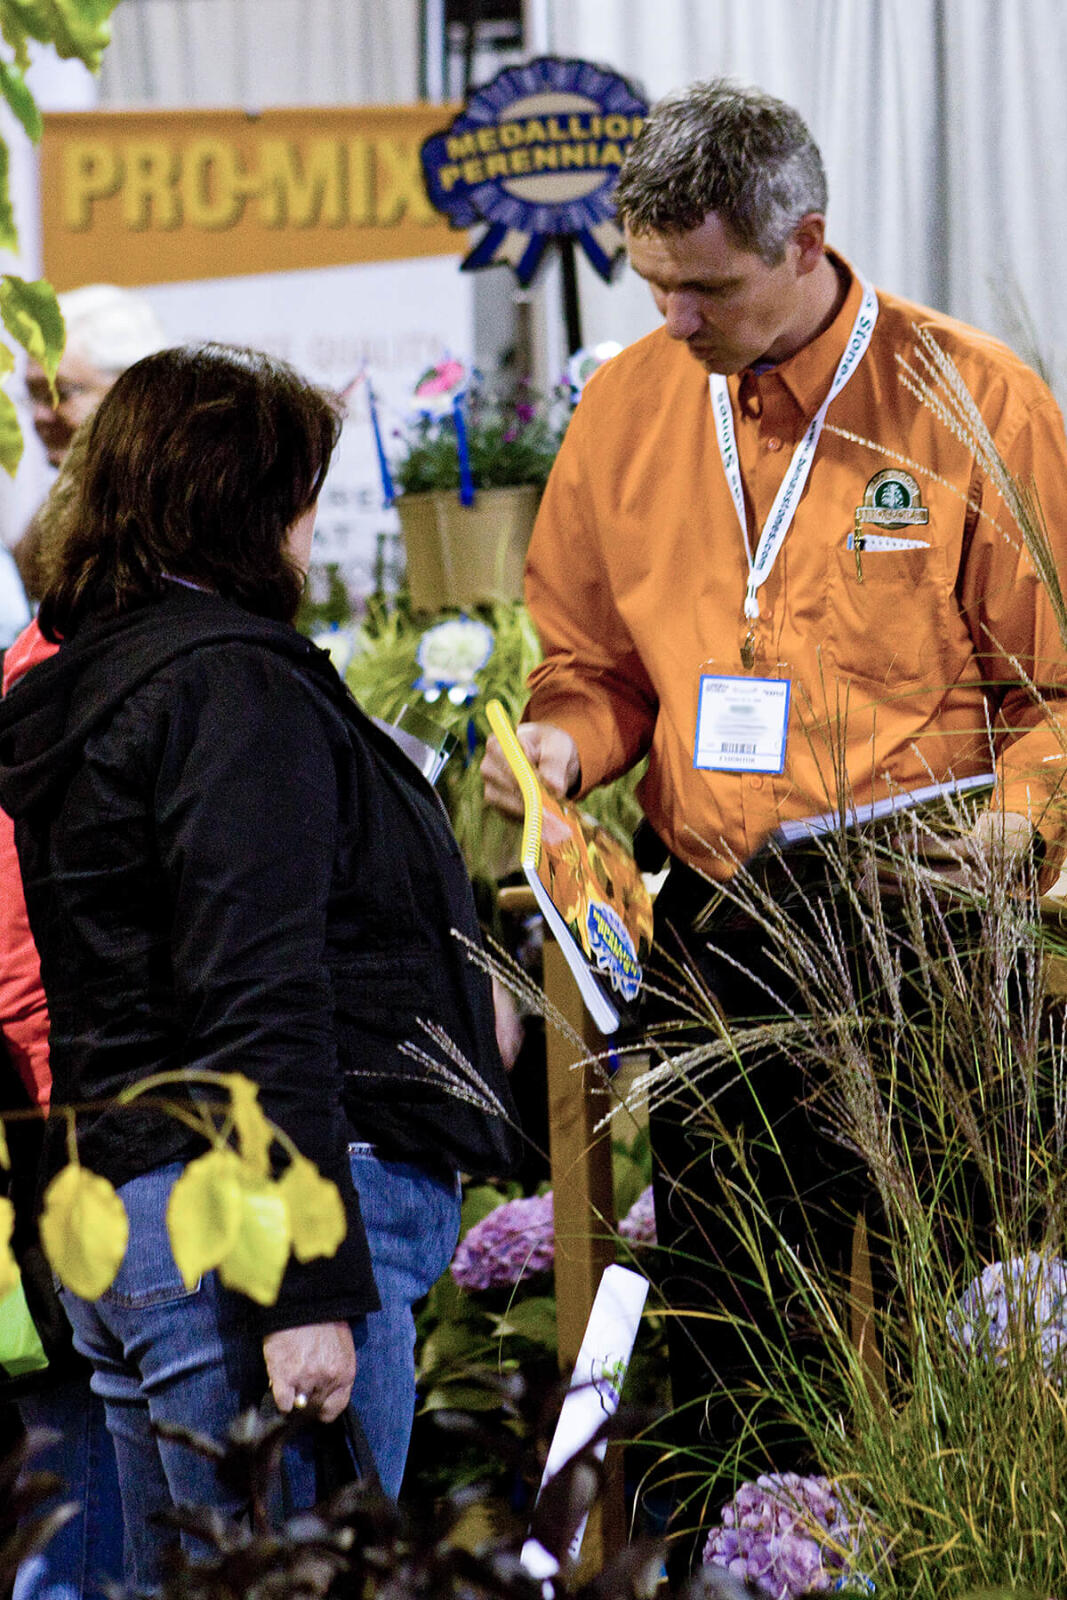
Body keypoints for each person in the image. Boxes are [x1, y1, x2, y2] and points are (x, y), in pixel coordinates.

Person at [481, 77, 1067, 1543]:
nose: (672, 322)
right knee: (737, 1305)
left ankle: (968, 1555)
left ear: (805, 239)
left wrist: (1018, 820)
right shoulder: (625, 408)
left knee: (964, 1293)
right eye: (653, 285)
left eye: (704, 290)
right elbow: (590, 669)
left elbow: (1054, 692)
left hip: (927, 923)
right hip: (721, 923)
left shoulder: (973, 401)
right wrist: (559, 750)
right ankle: (754, 1553)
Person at [0, 343, 520, 1586]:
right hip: (248, 1229)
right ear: (242, 503)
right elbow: (258, 990)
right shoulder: (229, 685)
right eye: (299, 498)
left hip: (128, 1215)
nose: (306, 534)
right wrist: (301, 1287)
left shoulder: (104, 677)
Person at [15, 284, 167, 598]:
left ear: (132, 391)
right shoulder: (59, 511)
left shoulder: (177, 516)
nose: (40, 417)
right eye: (34, 396)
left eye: (61, 393)